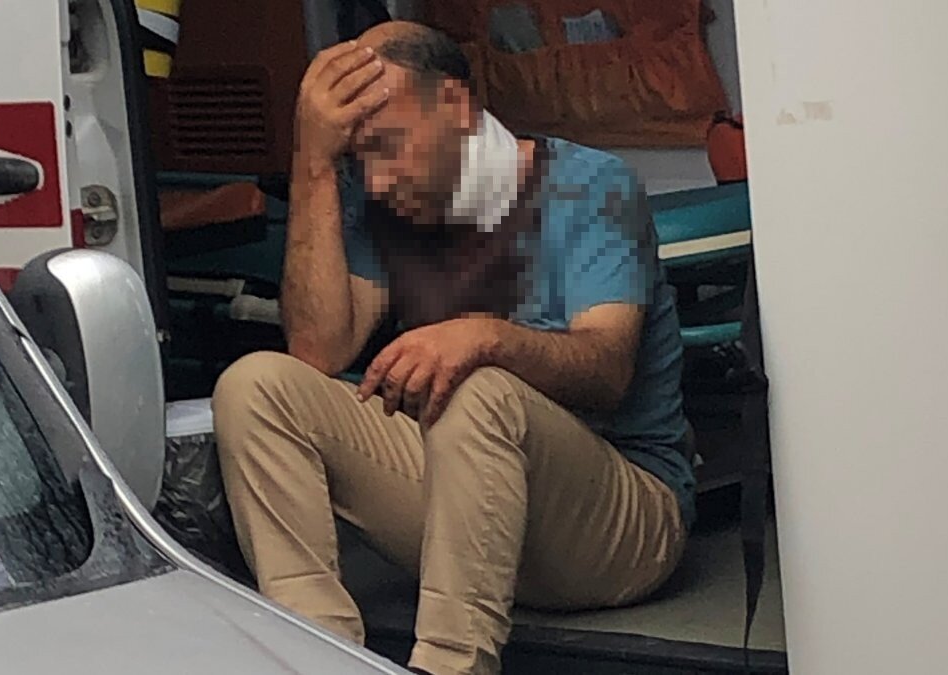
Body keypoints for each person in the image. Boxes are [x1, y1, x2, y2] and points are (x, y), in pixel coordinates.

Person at [213, 20, 695, 675]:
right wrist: (315, 164)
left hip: (620, 519)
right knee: (256, 386)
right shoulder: (382, 201)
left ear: (455, 103)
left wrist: (484, 336)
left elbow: (607, 371)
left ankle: (448, 665)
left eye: (388, 146)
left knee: (478, 384)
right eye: (358, 159)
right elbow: (317, 353)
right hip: (474, 508)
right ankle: (319, 656)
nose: (375, 181)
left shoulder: (590, 185)